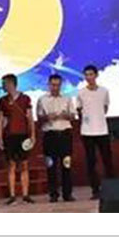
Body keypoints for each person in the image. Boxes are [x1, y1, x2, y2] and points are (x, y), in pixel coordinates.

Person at [36, 74, 77, 202]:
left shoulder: (67, 98)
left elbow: (73, 116)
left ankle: (67, 194)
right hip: (50, 135)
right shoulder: (42, 99)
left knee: (66, 165)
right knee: (51, 166)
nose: (55, 88)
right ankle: (53, 194)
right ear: (49, 85)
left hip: (64, 134)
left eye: (58, 85)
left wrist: (66, 115)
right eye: (53, 85)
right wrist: (47, 117)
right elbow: (39, 118)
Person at [76, 65, 115, 200]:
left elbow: (105, 108)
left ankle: (112, 188)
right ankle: (95, 190)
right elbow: (79, 110)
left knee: (107, 160)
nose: (89, 77)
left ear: (96, 75)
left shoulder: (104, 91)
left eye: (91, 74)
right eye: (86, 75)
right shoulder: (81, 92)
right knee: (91, 162)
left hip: (102, 130)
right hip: (87, 132)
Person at [0, 73, 35, 204]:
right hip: (9, 136)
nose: (3, 86)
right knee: (11, 165)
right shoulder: (2, 101)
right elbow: (0, 120)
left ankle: (25, 194)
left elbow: (30, 118)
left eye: (5, 84)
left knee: (24, 164)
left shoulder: (25, 99)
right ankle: (12, 195)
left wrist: (33, 135)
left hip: (23, 135)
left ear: (12, 84)